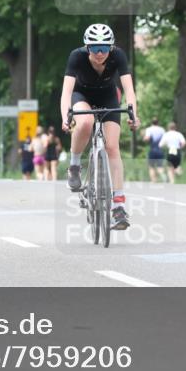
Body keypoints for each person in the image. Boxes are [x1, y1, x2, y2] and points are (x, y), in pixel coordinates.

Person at [60, 23, 140, 230]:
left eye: (105, 47)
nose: (100, 53)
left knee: (113, 147)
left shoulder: (118, 56)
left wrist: (134, 114)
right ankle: (75, 165)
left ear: (111, 47)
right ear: (87, 48)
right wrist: (65, 117)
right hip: (81, 94)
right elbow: (66, 92)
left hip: (108, 96)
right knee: (85, 122)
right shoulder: (76, 57)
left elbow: (129, 90)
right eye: (95, 48)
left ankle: (119, 206)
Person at [144, 117, 166, 183]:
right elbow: (164, 139)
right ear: (158, 122)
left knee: (151, 167)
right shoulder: (162, 129)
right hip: (160, 150)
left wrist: (144, 139)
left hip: (153, 149)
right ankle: (164, 178)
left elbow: (147, 138)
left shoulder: (149, 129)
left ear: (151, 122)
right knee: (160, 166)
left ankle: (153, 180)